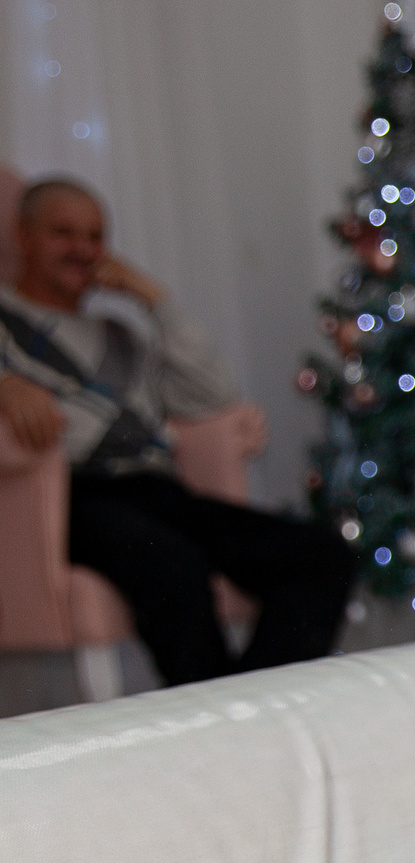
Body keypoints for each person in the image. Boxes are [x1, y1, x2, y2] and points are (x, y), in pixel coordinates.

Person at [0, 177, 353, 685]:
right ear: (24, 235)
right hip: (69, 498)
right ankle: (213, 731)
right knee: (173, 568)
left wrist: (154, 300)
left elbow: (215, 394)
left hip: (156, 490)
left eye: (95, 236)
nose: (82, 249)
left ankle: (252, 712)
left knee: (319, 554)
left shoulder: (121, 335)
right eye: (63, 233)